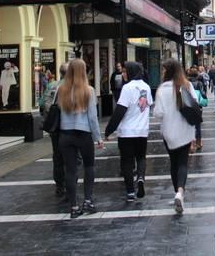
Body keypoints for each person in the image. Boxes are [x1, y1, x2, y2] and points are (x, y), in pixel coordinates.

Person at [57, 59, 103, 218]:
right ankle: (88, 201)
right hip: (84, 134)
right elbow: (92, 117)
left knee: (70, 170)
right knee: (89, 167)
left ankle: (74, 206)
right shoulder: (88, 90)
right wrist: (98, 137)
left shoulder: (61, 90)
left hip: (65, 134)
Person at [104, 62, 152, 202]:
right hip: (142, 130)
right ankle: (141, 178)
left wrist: (109, 130)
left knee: (126, 161)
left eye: (125, 72)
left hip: (127, 131)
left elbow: (120, 111)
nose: (123, 74)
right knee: (141, 157)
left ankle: (130, 191)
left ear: (131, 72)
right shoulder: (146, 87)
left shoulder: (127, 88)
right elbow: (147, 105)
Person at [154, 58, 197, 214]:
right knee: (183, 163)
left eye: (164, 69)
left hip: (169, 132)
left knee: (174, 163)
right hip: (185, 131)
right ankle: (180, 192)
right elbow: (195, 104)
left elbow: (158, 113)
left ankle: (177, 194)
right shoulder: (187, 85)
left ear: (169, 71)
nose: (162, 72)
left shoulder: (161, 89)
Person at [41, 63, 67, 196]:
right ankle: (69, 183)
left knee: (57, 156)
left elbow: (42, 103)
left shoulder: (52, 85)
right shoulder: (73, 86)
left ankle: (59, 185)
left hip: (54, 126)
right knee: (71, 156)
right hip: (69, 126)